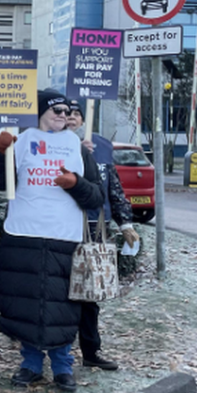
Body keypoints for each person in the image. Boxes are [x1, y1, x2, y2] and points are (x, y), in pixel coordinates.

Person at [0, 89, 105, 392]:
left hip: (64, 237)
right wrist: (0, 154)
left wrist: (75, 183)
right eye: (57, 110)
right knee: (25, 303)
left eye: (67, 112)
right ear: (40, 112)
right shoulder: (22, 140)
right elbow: (0, 183)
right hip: (23, 234)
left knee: (63, 305)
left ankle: (63, 367)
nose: (64, 116)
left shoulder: (77, 148)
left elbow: (96, 195)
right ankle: (30, 364)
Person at [66, 100, 140, 371]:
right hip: (63, 228)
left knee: (89, 293)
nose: (71, 118)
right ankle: (56, 349)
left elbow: (114, 187)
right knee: (61, 291)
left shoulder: (101, 146)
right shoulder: (53, 145)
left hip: (96, 228)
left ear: (84, 120)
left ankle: (91, 349)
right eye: (66, 114)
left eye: (76, 114)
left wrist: (126, 223)